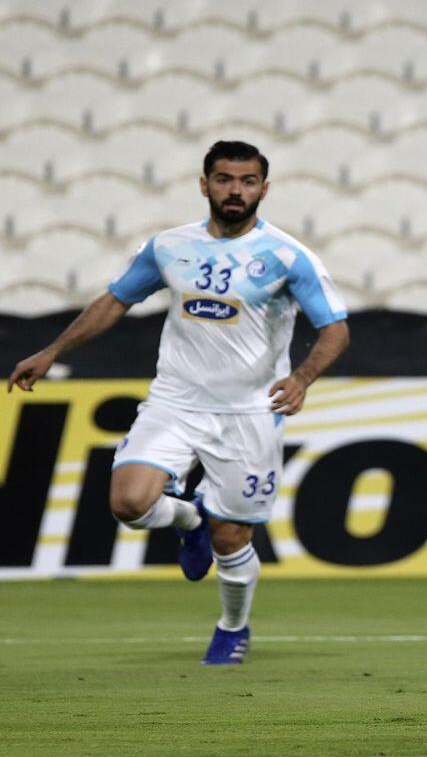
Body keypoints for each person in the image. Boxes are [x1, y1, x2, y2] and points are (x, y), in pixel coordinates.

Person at [7, 140, 350, 666]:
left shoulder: (287, 255)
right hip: (176, 401)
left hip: (250, 413)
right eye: (224, 179)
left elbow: (335, 331)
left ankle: (232, 629)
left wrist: (302, 378)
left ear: (264, 188)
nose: (235, 190)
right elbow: (115, 301)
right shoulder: (168, 247)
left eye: (247, 181)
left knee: (233, 535)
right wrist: (53, 350)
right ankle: (189, 520)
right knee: (128, 503)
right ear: (204, 183)